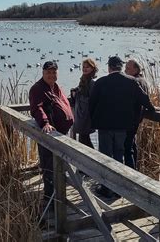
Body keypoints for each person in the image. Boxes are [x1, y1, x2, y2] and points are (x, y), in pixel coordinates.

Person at [89, 56, 157, 197]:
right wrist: (153, 108)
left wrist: (94, 121)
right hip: (122, 127)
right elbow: (144, 99)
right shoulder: (132, 82)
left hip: (105, 126)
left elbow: (92, 104)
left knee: (106, 157)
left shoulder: (101, 82)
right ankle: (118, 188)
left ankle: (106, 188)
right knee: (119, 155)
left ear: (109, 68)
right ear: (120, 67)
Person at [29, 61, 74, 208]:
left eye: (54, 72)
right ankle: (50, 199)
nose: (51, 75)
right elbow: (37, 109)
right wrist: (45, 123)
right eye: (48, 72)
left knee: (60, 165)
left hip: (61, 134)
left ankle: (59, 197)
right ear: (43, 73)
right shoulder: (37, 89)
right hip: (49, 135)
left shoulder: (56, 87)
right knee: (49, 167)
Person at [124, 58, 149, 170]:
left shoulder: (135, 82)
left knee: (127, 148)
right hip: (136, 118)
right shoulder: (142, 80)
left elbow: (139, 98)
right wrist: (151, 107)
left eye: (128, 68)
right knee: (132, 144)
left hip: (130, 119)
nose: (125, 70)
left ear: (135, 69)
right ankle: (135, 169)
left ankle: (130, 174)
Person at [70, 58, 98, 149]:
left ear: (92, 68)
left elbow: (91, 99)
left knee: (84, 139)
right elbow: (80, 91)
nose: (85, 69)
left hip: (86, 116)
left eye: (87, 67)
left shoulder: (92, 83)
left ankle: (92, 159)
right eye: (83, 67)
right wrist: (75, 91)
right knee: (83, 139)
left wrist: (77, 94)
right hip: (81, 114)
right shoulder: (83, 80)